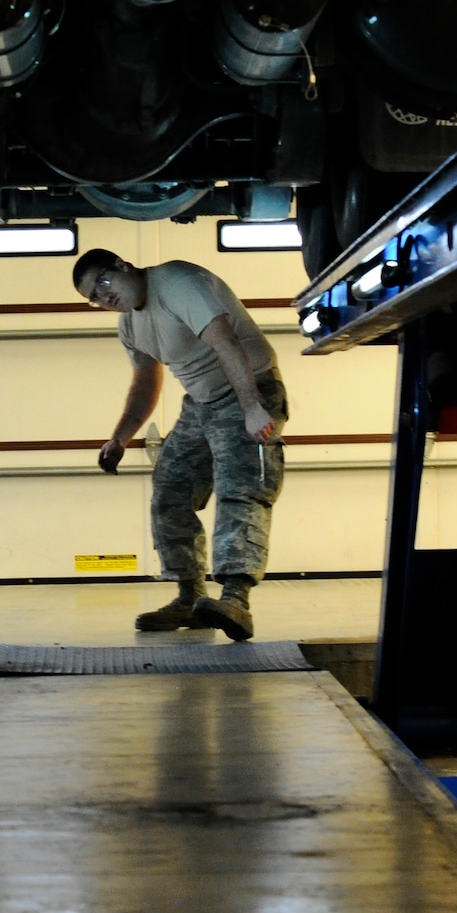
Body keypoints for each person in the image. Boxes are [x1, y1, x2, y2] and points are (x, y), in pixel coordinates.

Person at [74, 248, 287, 641]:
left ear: (122, 265)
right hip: (202, 404)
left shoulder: (177, 284)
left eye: (104, 283)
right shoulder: (129, 326)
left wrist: (253, 408)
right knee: (170, 488)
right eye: (94, 298)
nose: (104, 298)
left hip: (249, 389)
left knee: (241, 490)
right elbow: (144, 383)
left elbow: (225, 342)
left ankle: (236, 601)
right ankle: (189, 597)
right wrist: (120, 437)